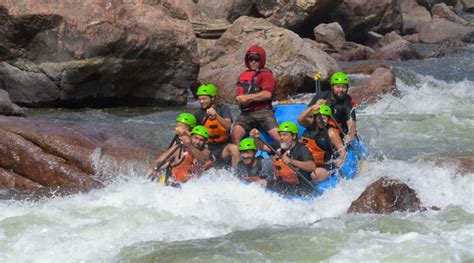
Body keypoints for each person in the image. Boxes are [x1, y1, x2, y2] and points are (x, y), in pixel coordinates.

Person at [232, 44, 280, 145]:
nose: (253, 62)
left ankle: (288, 153)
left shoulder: (266, 74)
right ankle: (240, 158)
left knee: (278, 136)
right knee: (235, 134)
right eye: (251, 59)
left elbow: (267, 94)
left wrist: (247, 98)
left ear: (261, 60)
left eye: (256, 59)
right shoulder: (244, 74)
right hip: (246, 113)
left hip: (263, 111)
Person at [251, 121, 315, 196]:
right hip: (282, 185)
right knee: (259, 184)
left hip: (300, 188)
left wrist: (291, 161)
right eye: (280, 135)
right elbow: (262, 147)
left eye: (285, 135)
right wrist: (255, 138)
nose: (281, 138)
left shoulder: (301, 149)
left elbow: (312, 166)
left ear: (293, 136)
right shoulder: (279, 147)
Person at [193, 83, 239, 168]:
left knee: (235, 149)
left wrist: (216, 116)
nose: (201, 101)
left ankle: (236, 177)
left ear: (213, 98)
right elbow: (192, 134)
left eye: (204, 99)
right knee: (197, 156)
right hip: (208, 148)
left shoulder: (223, 108)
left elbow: (228, 126)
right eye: (199, 99)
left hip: (224, 146)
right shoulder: (197, 114)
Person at [297, 104, 347, 183]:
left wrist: (340, 161)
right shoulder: (310, 125)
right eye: (320, 118)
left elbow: (342, 149)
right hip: (307, 162)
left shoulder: (331, 133)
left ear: (328, 119)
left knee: (313, 176)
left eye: (325, 118)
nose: (322, 121)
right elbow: (299, 119)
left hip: (323, 166)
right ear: (315, 118)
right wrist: (311, 108)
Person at [148, 125, 213, 185]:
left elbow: (205, 162)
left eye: (201, 140)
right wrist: (153, 168)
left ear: (205, 142)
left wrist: (189, 145)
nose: (198, 142)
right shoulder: (179, 149)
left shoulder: (206, 152)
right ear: (190, 137)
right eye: (196, 138)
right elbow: (158, 161)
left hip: (191, 188)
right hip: (172, 185)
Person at [308, 72, 357, 143]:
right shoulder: (321, 96)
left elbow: (351, 125)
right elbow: (307, 116)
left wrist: (350, 136)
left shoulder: (347, 102)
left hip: (338, 132)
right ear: (332, 87)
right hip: (320, 128)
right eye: (338, 86)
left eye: (344, 87)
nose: (341, 90)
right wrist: (315, 107)